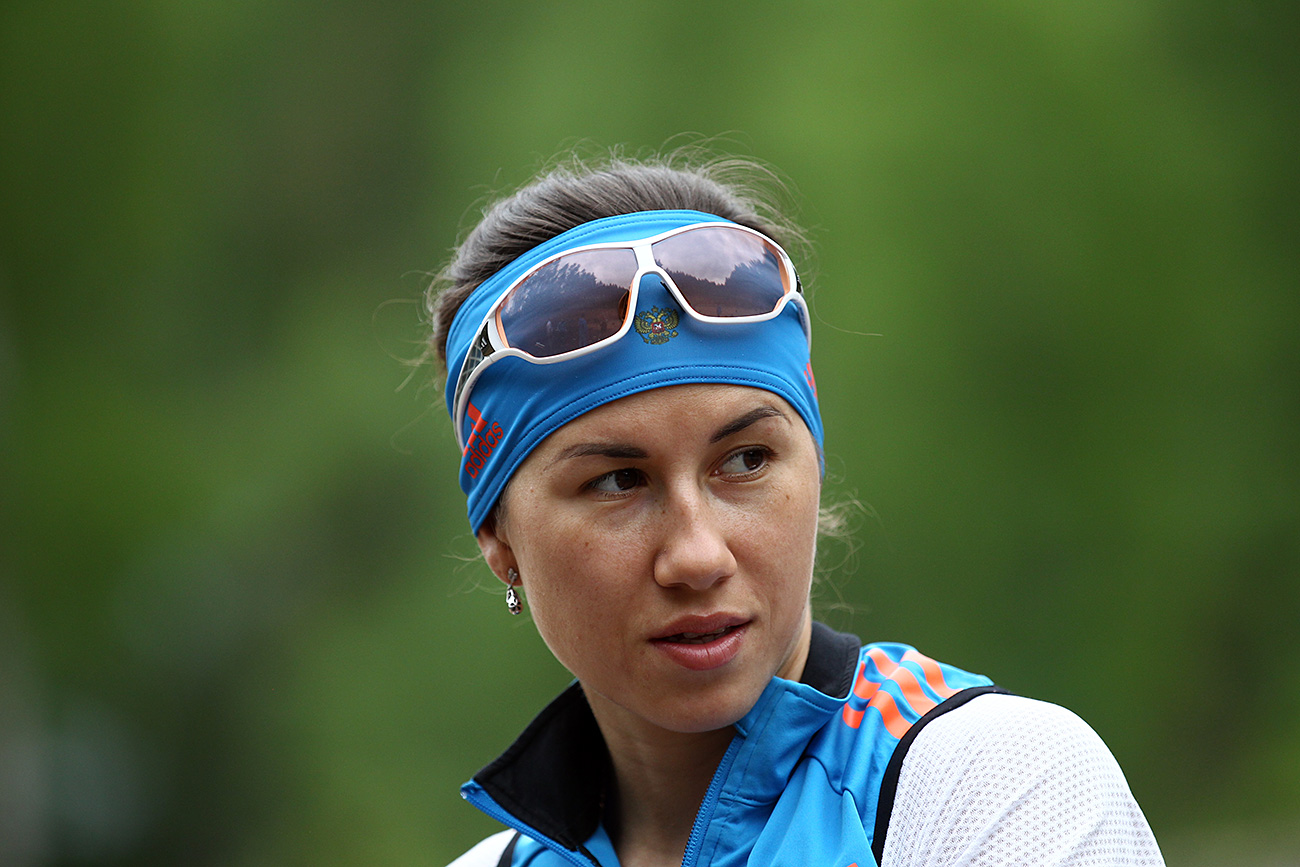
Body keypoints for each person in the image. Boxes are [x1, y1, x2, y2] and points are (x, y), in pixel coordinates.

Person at [426, 150, 1164, 867]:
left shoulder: (1000, 784)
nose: (698, 555)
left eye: (745, 460)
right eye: (619, 480)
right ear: (499, 537)